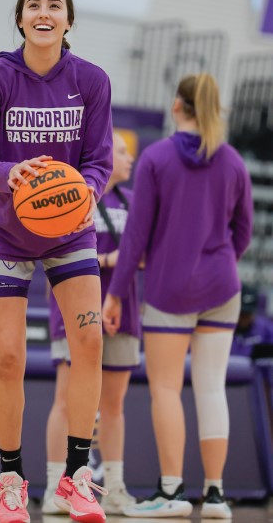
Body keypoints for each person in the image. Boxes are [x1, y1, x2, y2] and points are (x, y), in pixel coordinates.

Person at [0, 0, 113, 523]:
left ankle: (76, 478)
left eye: (55, 5)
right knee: (8, 356)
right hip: (5, 231)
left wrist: (84, 192)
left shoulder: (92, 81)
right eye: (34, 5)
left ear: (68, 21)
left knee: (90, 341)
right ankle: (10, 481)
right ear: (21, 20)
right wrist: (12, 174)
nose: (44, 12)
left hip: (70, 230)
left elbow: (99, 163)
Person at [103, 73, 253, 519]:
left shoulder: (157, 157)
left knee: (166, 388)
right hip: (223, 287)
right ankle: (216, 496)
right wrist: (219, 260)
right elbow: (242, 233)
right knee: (212, 389)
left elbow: (135, 235)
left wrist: (114, 293)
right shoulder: (232, 161)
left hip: (170, 288)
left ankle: (172, 493)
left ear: (176, 106)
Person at [42, 132, 140, 515]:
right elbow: (55, 253)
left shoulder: (133, 203)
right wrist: (112, 260)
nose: (128, 158)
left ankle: (114, 487)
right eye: (121, 150)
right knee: (64, 401)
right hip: (73, 311)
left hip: (125, 310)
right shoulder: (68, 195)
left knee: (114, 405)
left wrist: (115, 262)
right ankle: (55, 485)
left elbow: (145, 255)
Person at [231, 283, 273, 358]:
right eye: (241, 313)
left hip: (257, 370)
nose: (243, 318)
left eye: (247, 314)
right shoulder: (224, 328)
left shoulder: (267, 329)